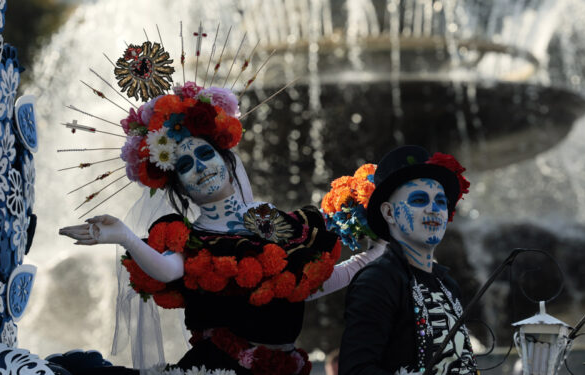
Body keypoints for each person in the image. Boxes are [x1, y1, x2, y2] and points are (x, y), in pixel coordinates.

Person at [59, 78, 384, 375]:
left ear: (228, 164)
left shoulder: (270, 220)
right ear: (181, 188)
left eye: (205, 154)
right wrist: (125, 237)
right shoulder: (191, 238)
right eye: (185, 165)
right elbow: (168, 271)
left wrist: (370, 257)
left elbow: (307, 285)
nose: (200, 166)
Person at [338, 145, 477, 375]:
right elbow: (356, 370)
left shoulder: (448, 283)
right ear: (389, 213)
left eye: (441, 202)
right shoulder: (377, 280)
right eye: (420, 199)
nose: (434, 209)